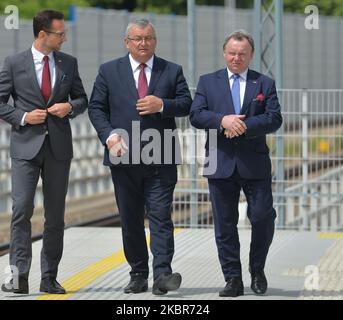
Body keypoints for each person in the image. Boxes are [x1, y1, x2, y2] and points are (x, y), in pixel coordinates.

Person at [0, 10, 87, 294]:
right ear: (43, 34)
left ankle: (49, 278)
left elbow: (82, 99)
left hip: (58, 148)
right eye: (60, 33)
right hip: (24, 148)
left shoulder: (69, 63)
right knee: (21, 211)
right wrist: (22, 116)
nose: (64, 37)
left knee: (55, 216)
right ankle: (18, 277)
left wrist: (70, 107)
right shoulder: (14, 63)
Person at [89, 18, 192, 295]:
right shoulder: (109, 71)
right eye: (138, 39)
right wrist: (110, 137)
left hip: (162, 155)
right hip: (123, 157)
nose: (143, 43)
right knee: (131, 219)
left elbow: (186, 105)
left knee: (160, 216)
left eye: (149, 38)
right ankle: (138, 274)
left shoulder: (172, 70)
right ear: (127, 42)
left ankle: (162, 275)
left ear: (155, 41)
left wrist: (163, 105)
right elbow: (96, 108)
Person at [190, 30, 282, 297]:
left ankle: (257, 270)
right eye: (232, 52)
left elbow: (275, 118)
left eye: (242, 53)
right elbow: (195, 116)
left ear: (251, 55)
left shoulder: (264, 83)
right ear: (224, 53)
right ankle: (232, 278)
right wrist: (223, 121)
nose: (236, 58)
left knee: (263, 216)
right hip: (220, 162)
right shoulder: (208, 82)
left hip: (255, 164)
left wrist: (242, 126)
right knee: (224, 224)